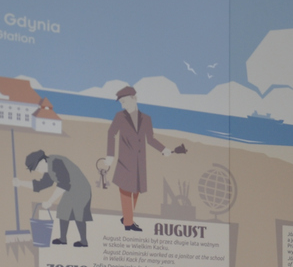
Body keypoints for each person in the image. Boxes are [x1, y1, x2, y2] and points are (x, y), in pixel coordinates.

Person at [103, 85, 174, 231]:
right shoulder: (120, 116)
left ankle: (127, 217)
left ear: (134, 99)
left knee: (136, 191)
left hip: (139, 162)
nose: (123, 105)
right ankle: (128, 223)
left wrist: (163, 149)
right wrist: (110, 155)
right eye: (121, 103)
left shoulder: (146, 119)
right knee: (125, 190)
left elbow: (151, 139)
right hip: (124, 161)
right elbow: (111, 134)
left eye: (124, 101)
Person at [15, 150, 93, 247]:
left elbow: (63, 184)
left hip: (81, 188)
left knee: (78, 212)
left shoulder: (56, 162)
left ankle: (84, 241)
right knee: (63, 209)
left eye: (38, 168)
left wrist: (50, 201)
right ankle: (63, 239)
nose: (39, 171)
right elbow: (41, 185)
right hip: (70, 189)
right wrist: (20, 183)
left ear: (42, 160)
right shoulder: (48, 168)